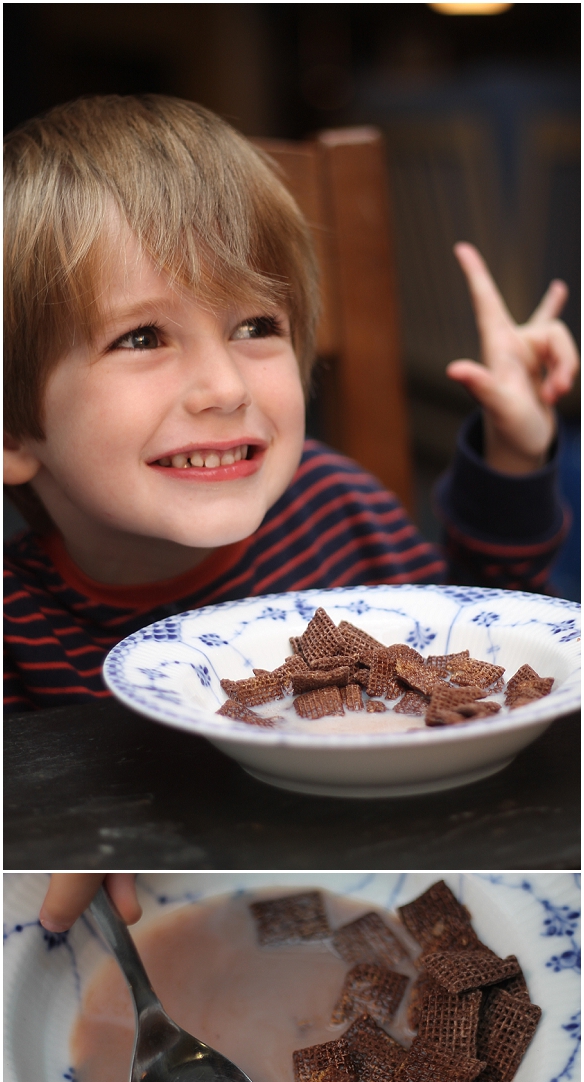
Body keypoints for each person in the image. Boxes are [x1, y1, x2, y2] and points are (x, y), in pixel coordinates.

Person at [4, 95, 579, 713]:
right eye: (141, 338)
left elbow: (476, 649)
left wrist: (513, 455)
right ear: (12, 431)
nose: (226, 389)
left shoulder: (340, 511)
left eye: (255, 327)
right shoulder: (19, 639)